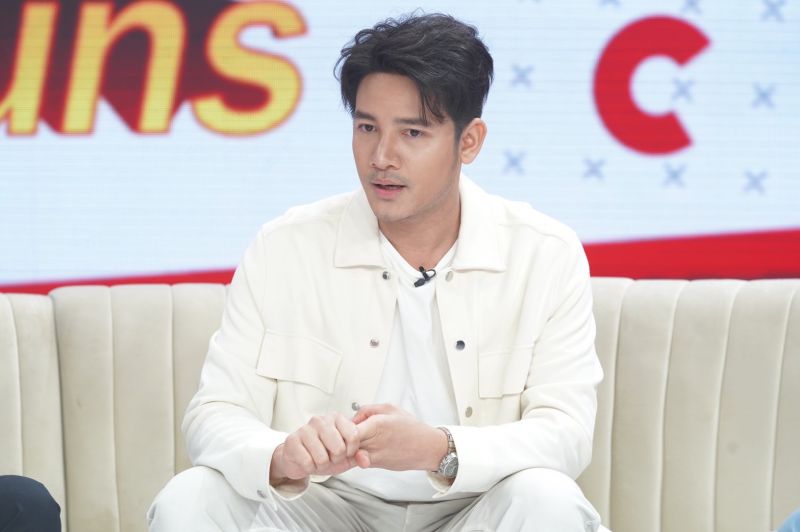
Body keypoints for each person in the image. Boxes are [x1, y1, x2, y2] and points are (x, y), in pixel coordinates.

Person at [149, 12, 605, 532]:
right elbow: (214, 413)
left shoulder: (544, 253)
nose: (382, 157)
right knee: (192, 497)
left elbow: (566, 433)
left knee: (548, 499)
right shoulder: (284, 247)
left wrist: (439, 448)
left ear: (469, 141)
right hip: (320, 508)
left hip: (474, 508)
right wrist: (282, 455)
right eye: (367, 128)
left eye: (412, 132)